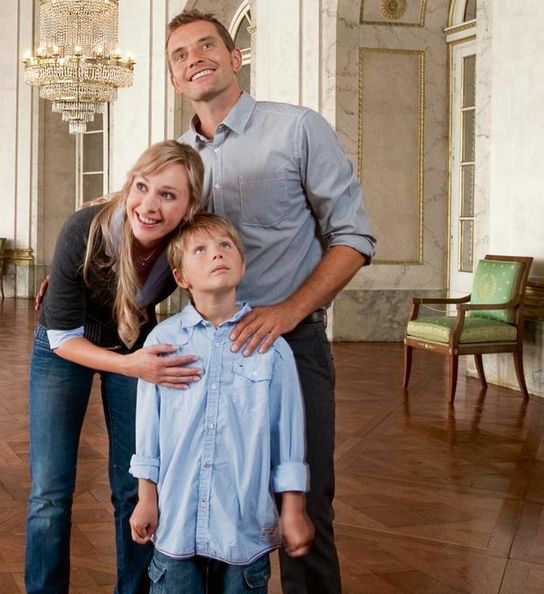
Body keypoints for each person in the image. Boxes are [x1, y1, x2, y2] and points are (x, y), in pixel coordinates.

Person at [167, 10, 377, 593]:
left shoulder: (298, 129)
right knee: (214, 503)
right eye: (180, 55)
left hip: (291, 343)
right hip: (205, 353)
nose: (194, 58)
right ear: (175, 79)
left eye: (206, 45)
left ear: (236, 58)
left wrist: (287, 311)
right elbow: (146, 234)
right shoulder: (177, 158)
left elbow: (354, 237)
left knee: (304, 511)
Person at [26, 140, 206, 594]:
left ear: (190, 207)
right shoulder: (83, 231)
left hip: (134, 342)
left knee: (135, 485)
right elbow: (64, 340)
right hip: (64, 344)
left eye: (168, 195)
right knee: (50, 492)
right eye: (142, 187)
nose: (148, 206)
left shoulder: (188, 245)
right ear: (129, 186)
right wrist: (132, 367)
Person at [129, 214, 313, 593]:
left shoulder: (271, 347)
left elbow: (288, 436)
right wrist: (147, 498)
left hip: (244, 527)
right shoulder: (162, 342)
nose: (217, 255)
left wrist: (292, 508)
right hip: (175, 522)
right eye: (201, 250)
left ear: (242, 266)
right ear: (181, 278)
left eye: (226, 247)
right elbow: (148, 430)